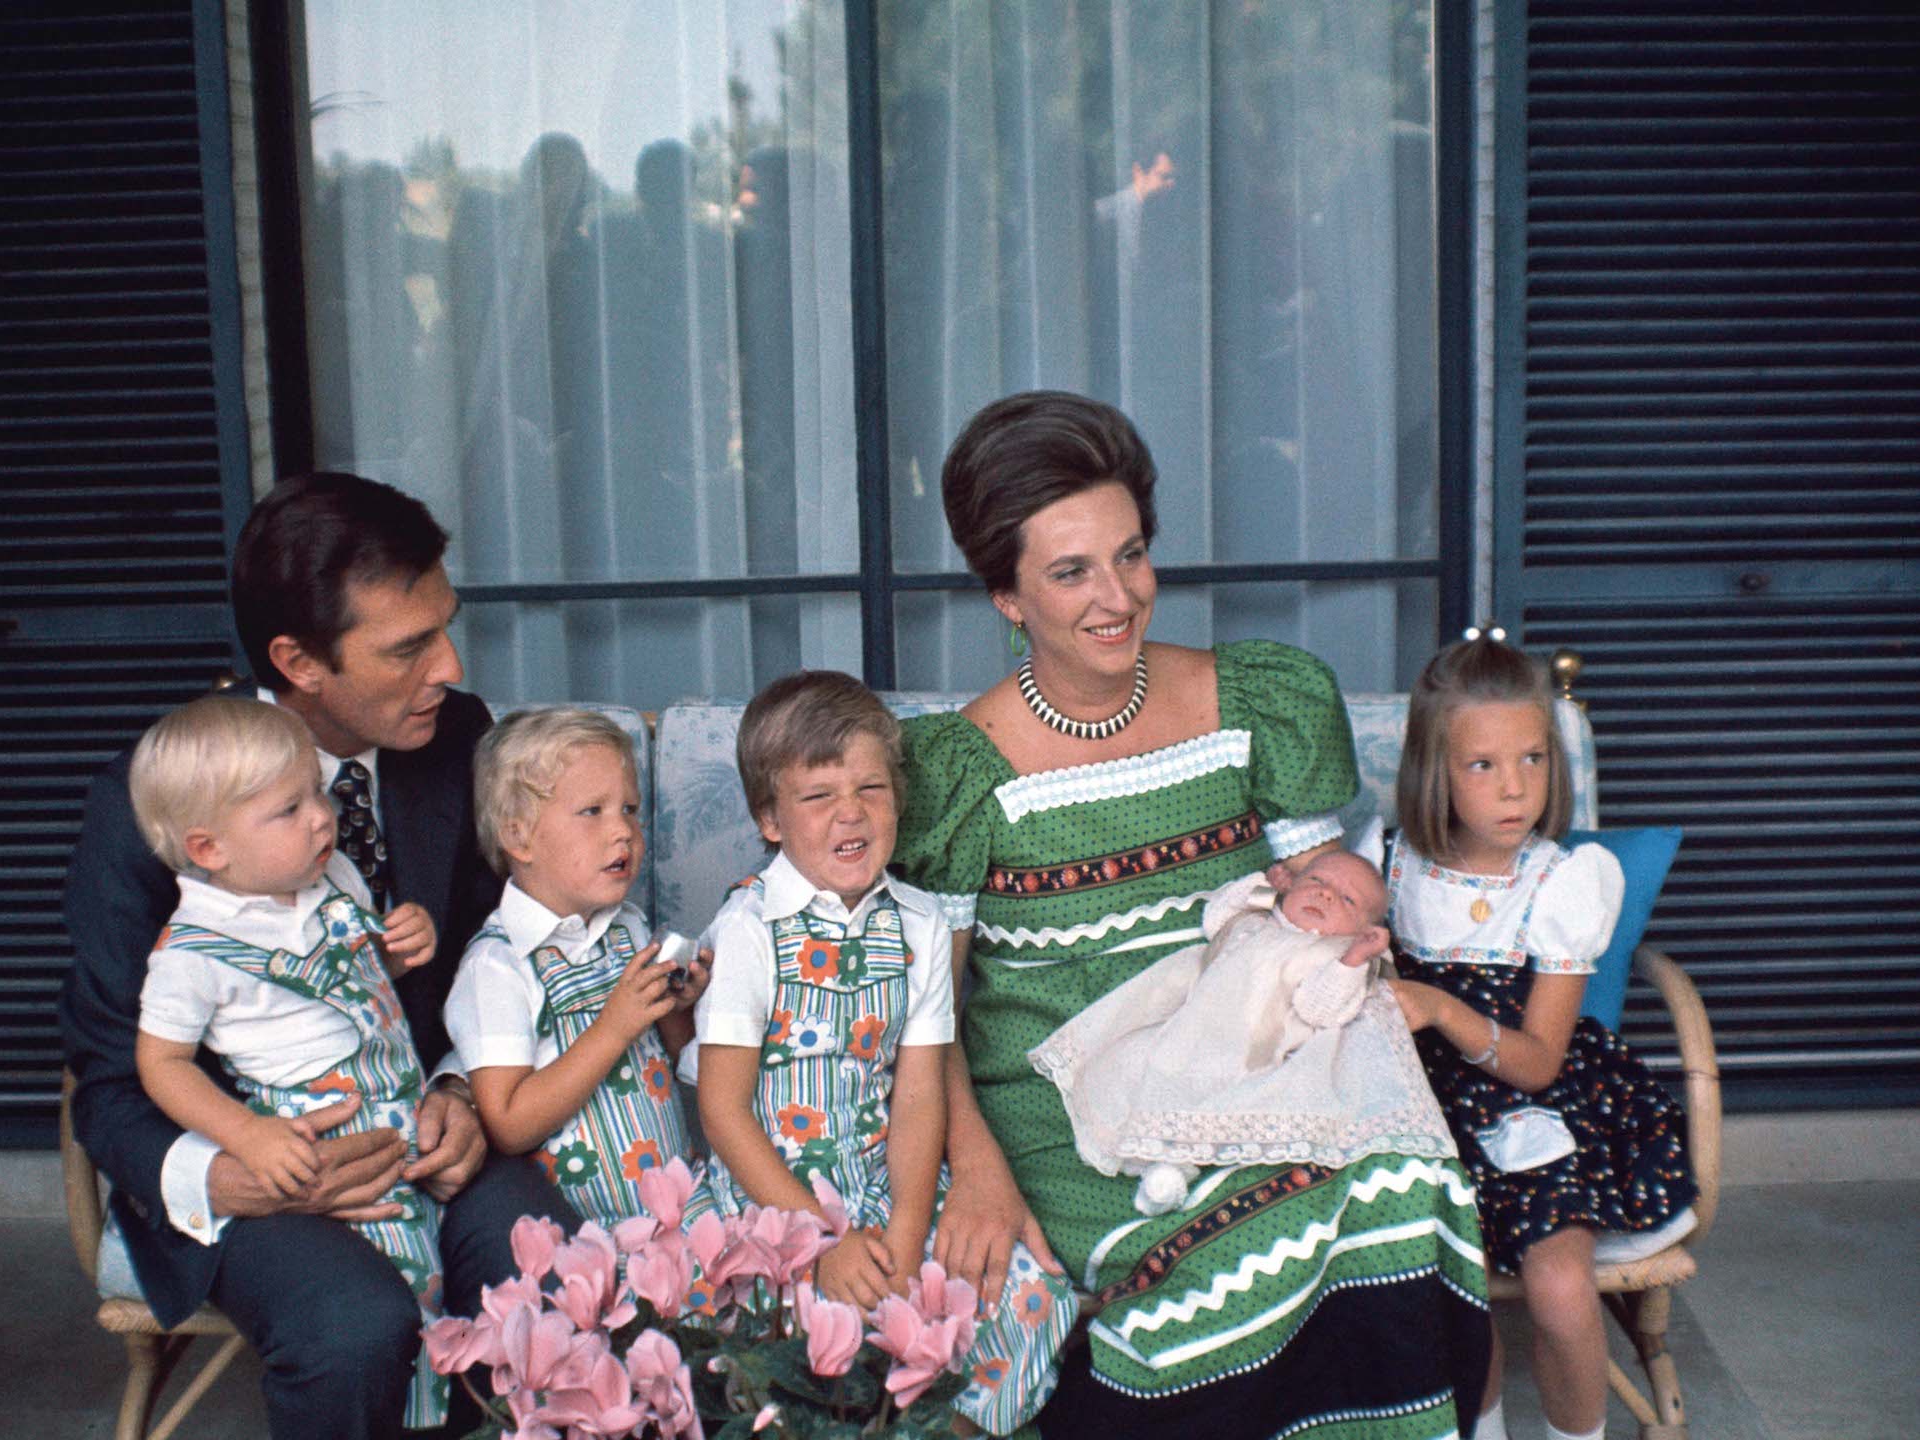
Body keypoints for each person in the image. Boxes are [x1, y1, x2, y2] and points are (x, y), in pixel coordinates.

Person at [893, 391, 1492, 1439]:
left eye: (1131, 556)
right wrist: (977, 1172)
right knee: (1227, 1262)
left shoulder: (1256, 700)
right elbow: (924, 1004)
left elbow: (1323, 894)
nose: (1117, 598)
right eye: (1070, 571)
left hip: (1251, 1057)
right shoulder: (958, 773)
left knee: (1399, 1193)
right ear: (1005, 596)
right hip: (1065, 1109)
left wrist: (1354, 939)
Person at [59, 471, 575, 1440]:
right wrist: (230, 1174)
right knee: (351, 1326)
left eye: (445, 625)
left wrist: (463, 1091)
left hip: (419, 1135)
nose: (451, 667)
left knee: (552, 1259)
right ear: (298, 660)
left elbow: (492, 953)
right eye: (408, 647)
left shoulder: (453, 737)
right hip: (256, 1168)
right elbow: (109, 1083)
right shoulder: (155, 809)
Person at [695, 671, 1079, 1436]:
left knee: (1033, 1293)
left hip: (884, 1174)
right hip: (777, 1193)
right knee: (796, 1333)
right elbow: (723, 1109)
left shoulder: (920, 924)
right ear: (769, 818)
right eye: (817, 797)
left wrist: (907, 1227)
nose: (852, 813)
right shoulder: (749, 929)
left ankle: (956, 1429)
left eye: (872, 787)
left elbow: (919, 1094)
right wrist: (818, 1241)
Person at [1385, 634, 1700, 1440]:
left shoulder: (1560, 881)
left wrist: (1442, 1008)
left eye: (1533, 759)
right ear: (1435, 769)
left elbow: (1537, 1064)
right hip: (1412, 1108)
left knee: (1561, 1289)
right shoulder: (1389, 866)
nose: (1514, 788)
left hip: (1530, 1096)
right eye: (1482, 765)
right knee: (1435, 1286)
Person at [129, 696, 449, 1428]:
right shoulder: (192, 953)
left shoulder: (330, 877)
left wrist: (400, 951)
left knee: (441, 1274)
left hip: (400, 1103)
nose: (321, 816)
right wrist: (247, 1137)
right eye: (289, 808)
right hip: (314, 1133)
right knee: (392, 1293)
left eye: (315, 790)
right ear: (209, 850)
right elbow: (163, 1063)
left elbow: (354, 983)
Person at [1032, 849, 1456, 1218]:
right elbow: (1215, 917)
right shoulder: (1256, 918)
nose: (1326, 894)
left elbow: (1322, 1009)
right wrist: (1262, 883)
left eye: (1346, 899)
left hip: (1251, 1053)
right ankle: (1147, 1158)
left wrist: (1355, 959)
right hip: (1187, 1029)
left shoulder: (1331, 957)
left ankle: (1173, 1171)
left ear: (1362, 930)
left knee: (1216, 1105)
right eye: (1316, 881)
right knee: (1134, 1068)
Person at [444, 708, 715, 1225]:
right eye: (592, 811)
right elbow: (508, 1123)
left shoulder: (629, 928)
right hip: (582, 1228)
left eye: (630, 809)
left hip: (676, 1201)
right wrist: (613, 1028)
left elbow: (679, 1055)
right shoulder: (497, 966)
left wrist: (678, 1006)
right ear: (519, 838)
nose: (624, 832)